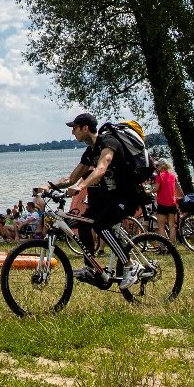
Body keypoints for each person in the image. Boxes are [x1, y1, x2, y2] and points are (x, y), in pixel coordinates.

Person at [47, 113, 143, 290]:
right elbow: (72, 178)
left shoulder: (108, 143)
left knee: (101, 225)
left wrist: (81, 186)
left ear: (85, 128)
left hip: (127, 195)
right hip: (109, 197)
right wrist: (49, 186)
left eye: (74, 128)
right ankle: (90, 268)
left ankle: (130, 265)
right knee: (83, 223)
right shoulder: (90, 151)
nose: (72, 132)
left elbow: (101, 168)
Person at [152, 159, 180, 242]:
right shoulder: (173, 176)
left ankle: (164, 246)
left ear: (161, 166)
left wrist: (148, 190)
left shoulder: (159, 176)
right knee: (172, 226)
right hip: (172, 204)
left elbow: (156, 189)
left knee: (161, 226)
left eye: (158, 166)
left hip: (162, 204)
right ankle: (172, 246)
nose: (157, 167)